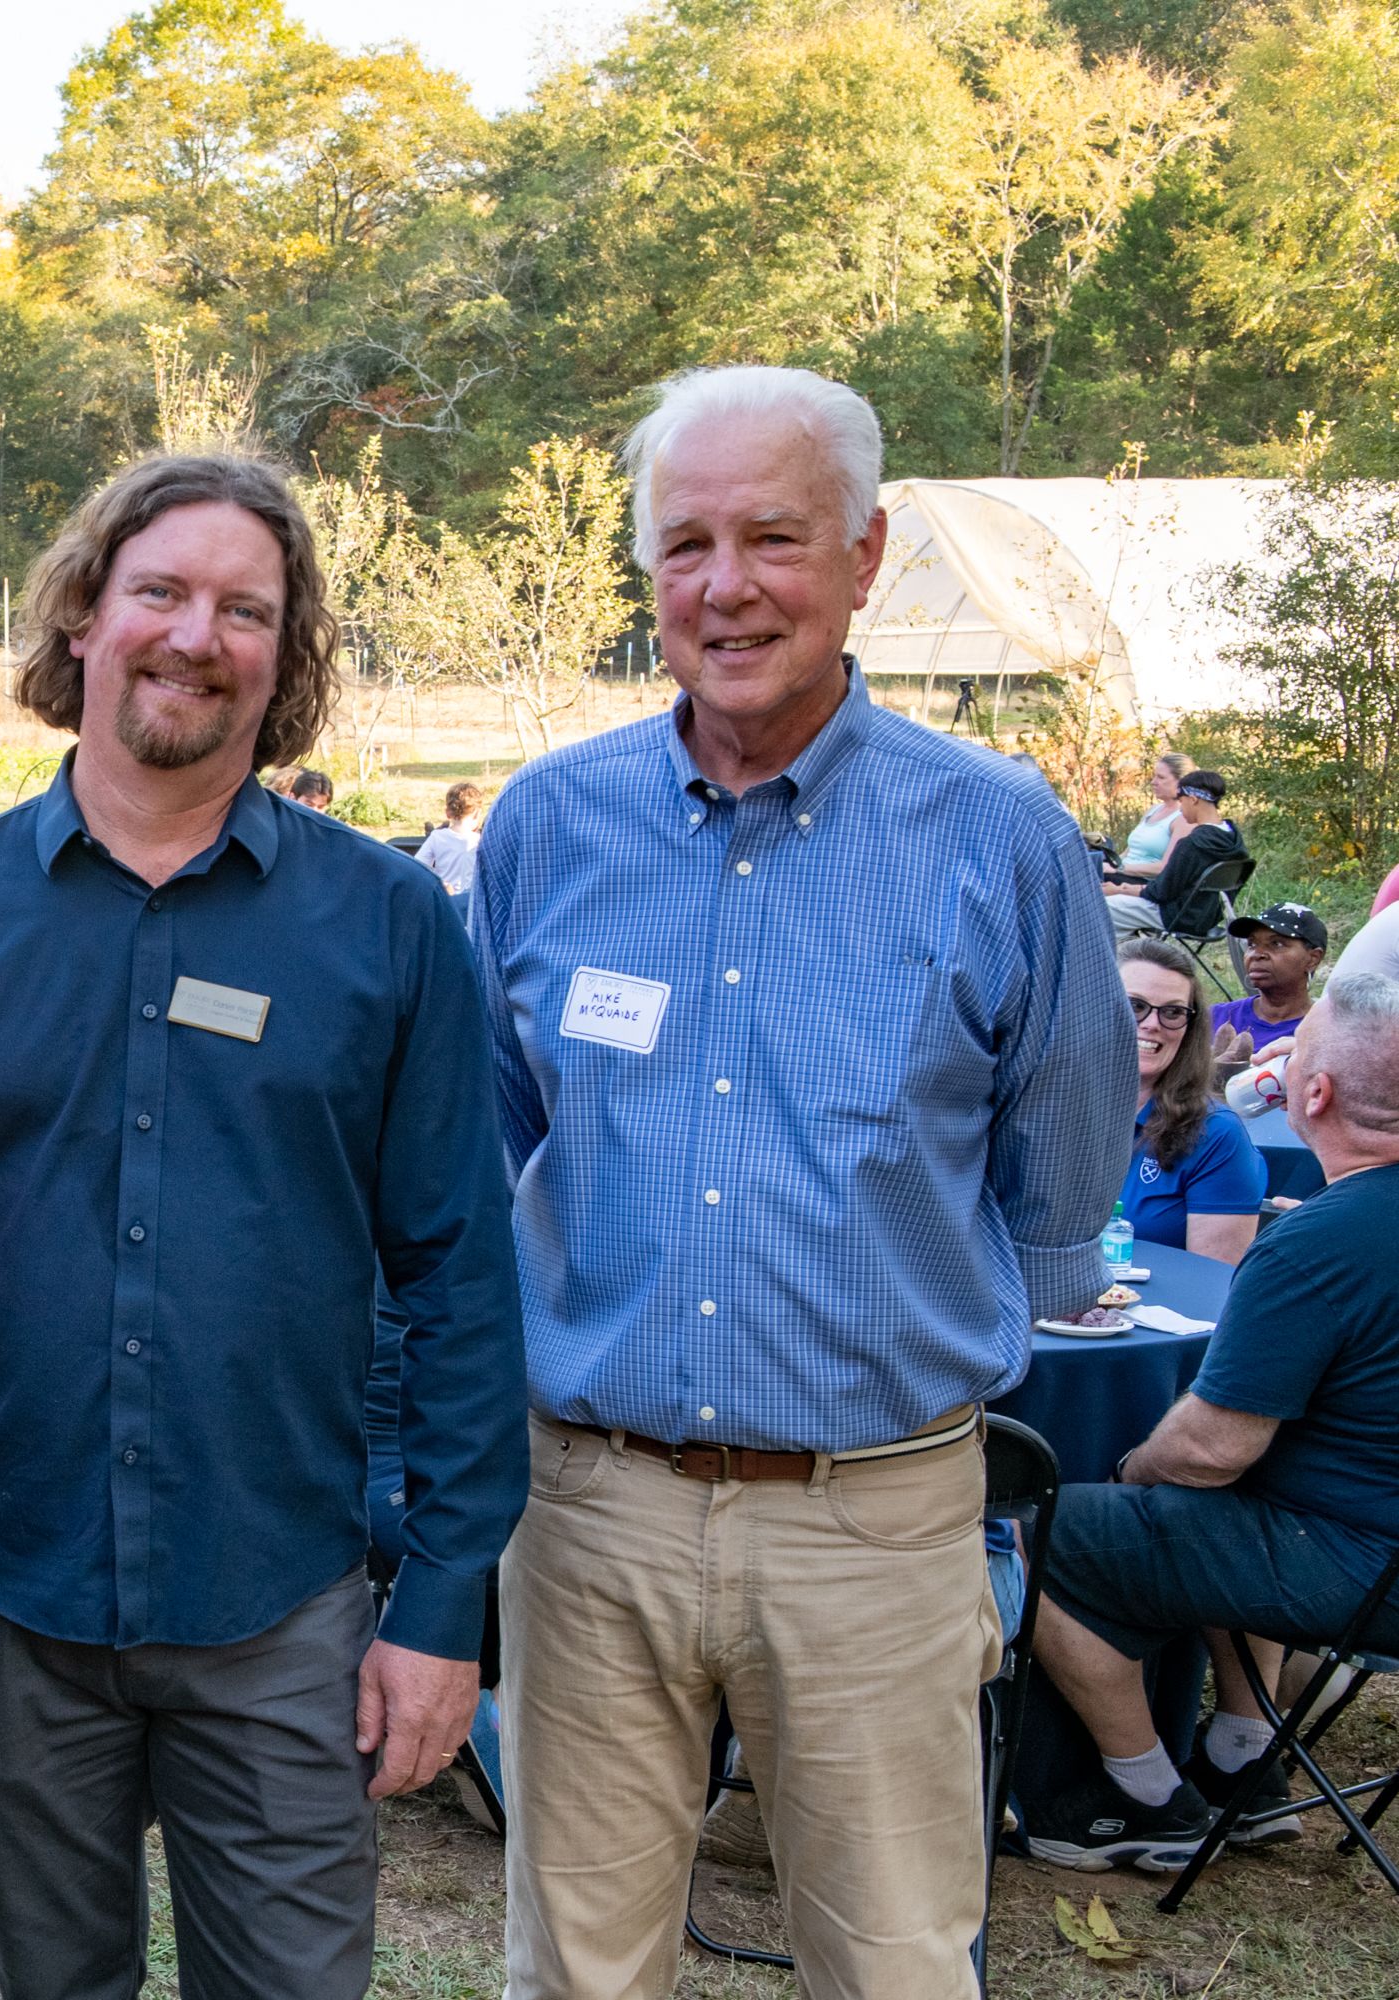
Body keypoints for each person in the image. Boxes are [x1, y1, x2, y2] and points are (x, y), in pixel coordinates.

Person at [0, 452, 527, 2000]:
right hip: (11, 1594)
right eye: (161, 592)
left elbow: (461, 1272)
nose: (197, 635)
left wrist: (446, 1600)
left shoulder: (390, 923)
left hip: (286, 1600)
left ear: (288, 653)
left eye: (244, 609)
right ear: (84, 617)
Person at [471, 365, 1134, 2000]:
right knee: (574, 1970)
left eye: (774, 536)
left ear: (866, 557)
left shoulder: (1000, 838)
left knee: (893, 1966)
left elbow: (1066, 1154)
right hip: (587, 1511)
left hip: (878, 1522)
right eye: (687, 543)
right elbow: (489, 1137)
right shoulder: (550, 827)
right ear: (649, 581)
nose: (727, 585)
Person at [1028, 974, 1399, 1871]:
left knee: (1033, 1528)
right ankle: (1242, 1760)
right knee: (1242, 1493)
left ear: (1311, 1093)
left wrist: (1128, 1478)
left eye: (1290, 1051)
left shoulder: (1322, 1240)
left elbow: (1208, 1450)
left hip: (1353, 1564)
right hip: (1352, 1536)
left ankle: (1141, 1796)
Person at [1121, 938, 1266, 1265]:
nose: (1152, 1024)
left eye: (1173, 1012)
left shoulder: (1216, 1135)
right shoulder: (1045, 1108)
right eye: (1134, 1005)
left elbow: (1213, 1287)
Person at [1105, 770, 1245, 937]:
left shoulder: (1193, 843)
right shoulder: (1233, 837)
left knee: (1102, 907)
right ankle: (1138, 953)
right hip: (1208, 916)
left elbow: (1161, 892)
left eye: (1181, 800)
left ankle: (1120, 960)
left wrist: (1120, 889)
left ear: (1193, 800)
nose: (1180, 808)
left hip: (1178, 916)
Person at [1211, 903, 1327, 1063]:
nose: (1256, 954)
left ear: (1312, 959)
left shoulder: (1327, 1030)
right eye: (1252, 944)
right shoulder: (1216, 1018)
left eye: (1276, 944)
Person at [1118, 752, 1192, 874]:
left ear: (1181, 781)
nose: (1153, 782)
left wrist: (1118, 869)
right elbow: (1127, 854)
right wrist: (1104, 866)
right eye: (1154, 776)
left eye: (1161, 777)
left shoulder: (1184, 818)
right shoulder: (1152, 810)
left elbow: (1165, 868)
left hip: (1143, 883)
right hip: (1122, 874)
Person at [412, 780, 487, 896]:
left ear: (447, 813)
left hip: (445, 899)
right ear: (477, 814)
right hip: (471, 901)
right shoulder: (480, 841)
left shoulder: (437, 837)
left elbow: (417, 867)